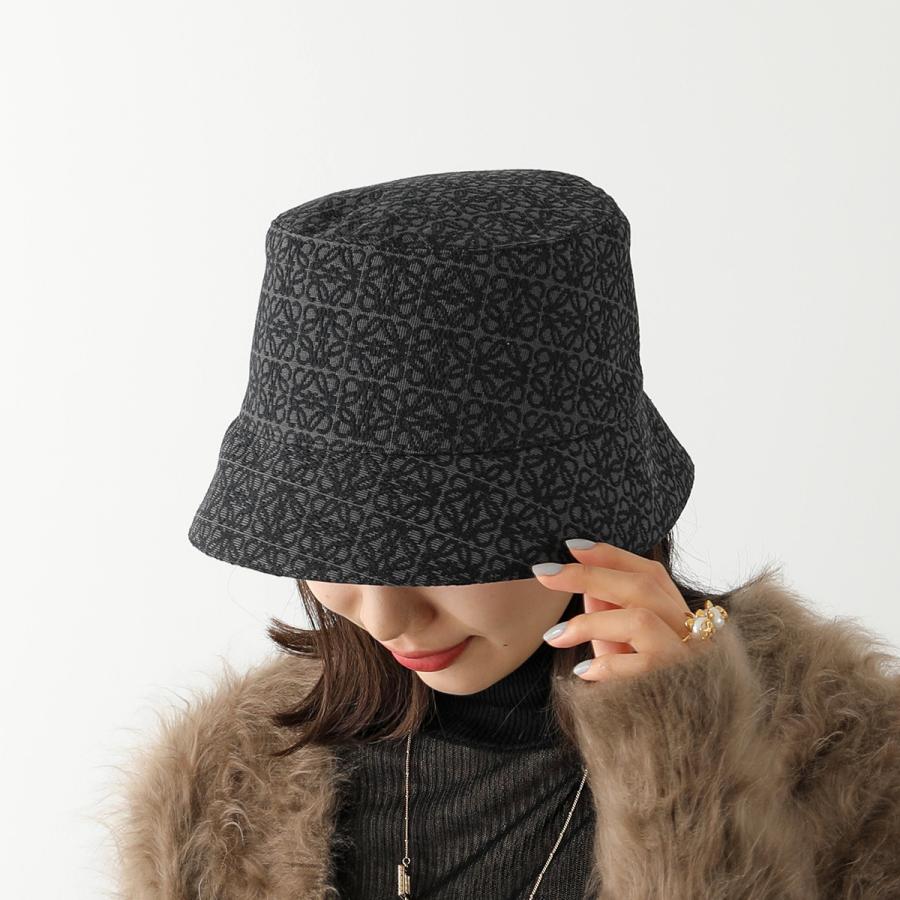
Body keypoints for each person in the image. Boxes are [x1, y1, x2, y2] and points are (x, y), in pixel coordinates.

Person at [109, 170, 900, 899]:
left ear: (586, 500)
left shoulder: (845, 768)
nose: (386, 617)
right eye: (334, 546)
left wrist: (687, 776)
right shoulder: (223, 793)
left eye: (435, 551)